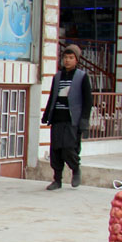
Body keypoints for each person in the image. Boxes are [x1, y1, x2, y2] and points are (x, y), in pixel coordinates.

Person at [40, 44, 93, 190]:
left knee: (69, 148)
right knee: (56, 150)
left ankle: (75, 169)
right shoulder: (57, 77)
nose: (67, 60)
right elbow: (53, 97)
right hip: (58, 118)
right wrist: (46, 115)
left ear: (77, 60)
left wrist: (84, 121)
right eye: (65, 57)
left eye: (71, 58)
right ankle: (57, 179)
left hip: (72, 120)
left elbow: (88, 101)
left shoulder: (82, 77)